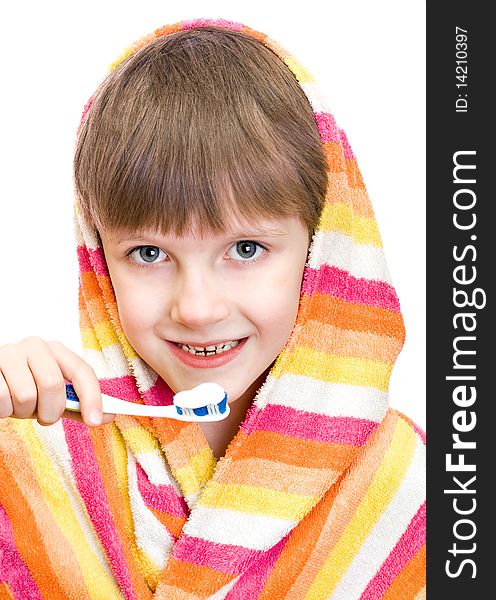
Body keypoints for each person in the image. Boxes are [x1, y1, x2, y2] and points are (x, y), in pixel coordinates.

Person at [0, 17, 425, 599]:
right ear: (100, 259)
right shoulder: (28, 449)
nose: (196, 308)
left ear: (323, 246)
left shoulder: (420, 500)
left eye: (246, 249)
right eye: (148, 253)